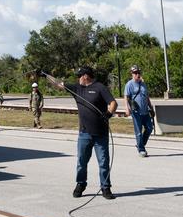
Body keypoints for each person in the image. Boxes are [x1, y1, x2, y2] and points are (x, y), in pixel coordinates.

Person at [44, 67, 117, 199]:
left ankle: (105, 188)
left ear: (86, 76)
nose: (78, 79)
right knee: (81, 162)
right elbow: (58, 84)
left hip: (101, 134)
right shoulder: (77, 89)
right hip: (84, 134)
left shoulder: (100, 88)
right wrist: (45, 74)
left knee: (103, 162)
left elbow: (113, 103)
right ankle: (80, 184)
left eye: (79, 76)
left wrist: (107, 114)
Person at [123, 66, 154, 156]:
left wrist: (151, 108)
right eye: (135, 73)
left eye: (138, 73)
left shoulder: (143, 84)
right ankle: (141, 149)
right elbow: (126, 97)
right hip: (136, 112)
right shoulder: (129, 84)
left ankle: (140, 144)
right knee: (139, 132)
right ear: (132, 74)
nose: (137, 74)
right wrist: (127, 108)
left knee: (149, 128)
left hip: (145, 111)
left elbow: (147, 97)